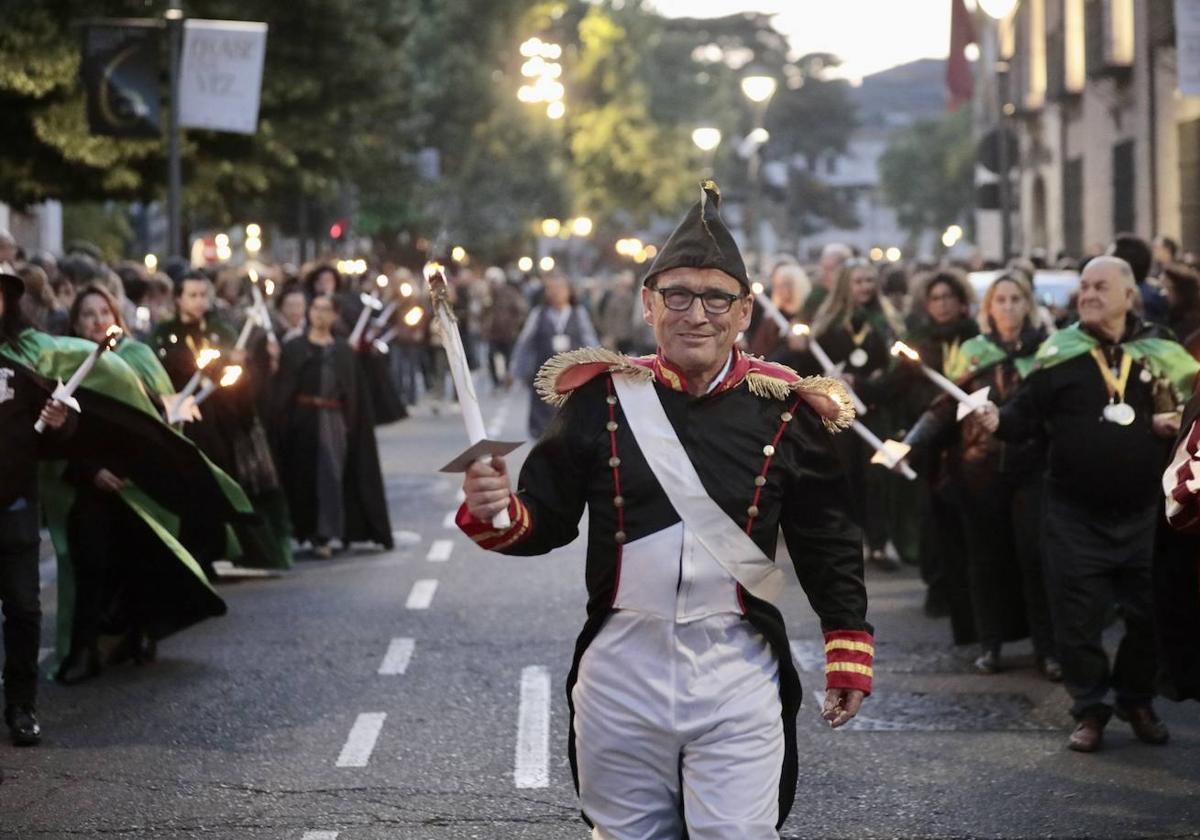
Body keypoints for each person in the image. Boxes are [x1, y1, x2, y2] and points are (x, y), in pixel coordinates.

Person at [459, 181, 871, 838]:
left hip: (738, 667)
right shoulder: (600, 400)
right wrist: (497, 509)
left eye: (716, 298)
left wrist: (846, 640)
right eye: (677, 295)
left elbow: (826, 535)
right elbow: (544, 518)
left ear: (744, 313)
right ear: (649, 305)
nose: (696, 314)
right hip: (622, 668)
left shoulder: (788, 408)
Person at [980, 256, 1199, 752]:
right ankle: (1091, 708)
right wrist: (998, 420)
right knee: (1076, 622)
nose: (1089, 294)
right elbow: (1023, 415)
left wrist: (1174, 424)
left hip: (1146, 513)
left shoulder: (1162, 350)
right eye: (1083, 286)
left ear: (1129, 295)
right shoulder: (1061, 351)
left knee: (1149, 617)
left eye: (1101, 286)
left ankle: (1136, 699)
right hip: (1074, 513)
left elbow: (1194, 413)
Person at [45, 285, 230, 683]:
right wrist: (93, 470)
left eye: (104, 312)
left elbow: (156, 420)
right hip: (90, 481)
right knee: (89, 562)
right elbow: (61, 432)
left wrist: (138, 462)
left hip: (137, 480)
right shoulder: (65, 363)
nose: (98, 321)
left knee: (143, 554)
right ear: (76, 323)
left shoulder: (137, 358)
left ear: (117, 318)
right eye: (88, 315)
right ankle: (84, 648)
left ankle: (139, 632)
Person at [906, 275, 1058, 677]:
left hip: (1031, 466)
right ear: (988, 308)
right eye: (1000, 300)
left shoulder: (1048, 348)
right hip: (980, 469)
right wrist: (911, 442)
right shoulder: (975, 352)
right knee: (986, 559)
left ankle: (1048, 648)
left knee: (1034, 556)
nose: (1007, 307)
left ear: (1027, 304)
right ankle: (990, 644)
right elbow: (948, 403)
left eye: (1015, 300)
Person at [150, 271, 293, 571]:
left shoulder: (222, 331)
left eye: (204, 295)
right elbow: (156, 374)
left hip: (217, 423)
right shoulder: (162, 335)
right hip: (180, 422)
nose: (200, 301)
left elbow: (241, 380)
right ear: (178, 298)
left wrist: (242, 363)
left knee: (218, 480)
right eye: (193, 295)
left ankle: (220, 548)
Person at [776, 260, 903, 570]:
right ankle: (845, 542)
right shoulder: (828, 324)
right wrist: (801, 350)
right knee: (843, 476)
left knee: (877, 477)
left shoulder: (886, 323)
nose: (866, 287)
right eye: (859, 281)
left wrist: (865, 384)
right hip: (839, 414)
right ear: (847, 284)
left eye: (870, 281)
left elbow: (897, 370)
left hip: (874, 410)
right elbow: (807, 367)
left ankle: (879, 542)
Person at [0, 270, 73, 747]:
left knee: (25, 609)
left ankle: (22, 706)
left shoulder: (25, 364)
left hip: (15, 506)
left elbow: (48, 442)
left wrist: (58, 421)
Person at [272, 294, 393, 557]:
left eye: (325, 310)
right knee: (307, 477)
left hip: (334, 421)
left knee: (331, 474)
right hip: (303, 422)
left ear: (334, 315)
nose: (319, 314)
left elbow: (354, 391)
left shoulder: (342, 351)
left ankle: (328, 532)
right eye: (315, 308)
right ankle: (314, 532)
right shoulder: (295, 348)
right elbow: (283, 390)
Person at [511, 272, 599, 438]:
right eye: (551, 289)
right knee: (543, 422)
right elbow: (525, 343)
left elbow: (590, 341)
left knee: (572, 417)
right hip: (544, 375)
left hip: (572, 375)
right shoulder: (538, 314)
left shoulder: (578, 313)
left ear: (569, 291)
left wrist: (597, 367)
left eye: (560, 288)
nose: (556, 292)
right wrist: (517, 370)